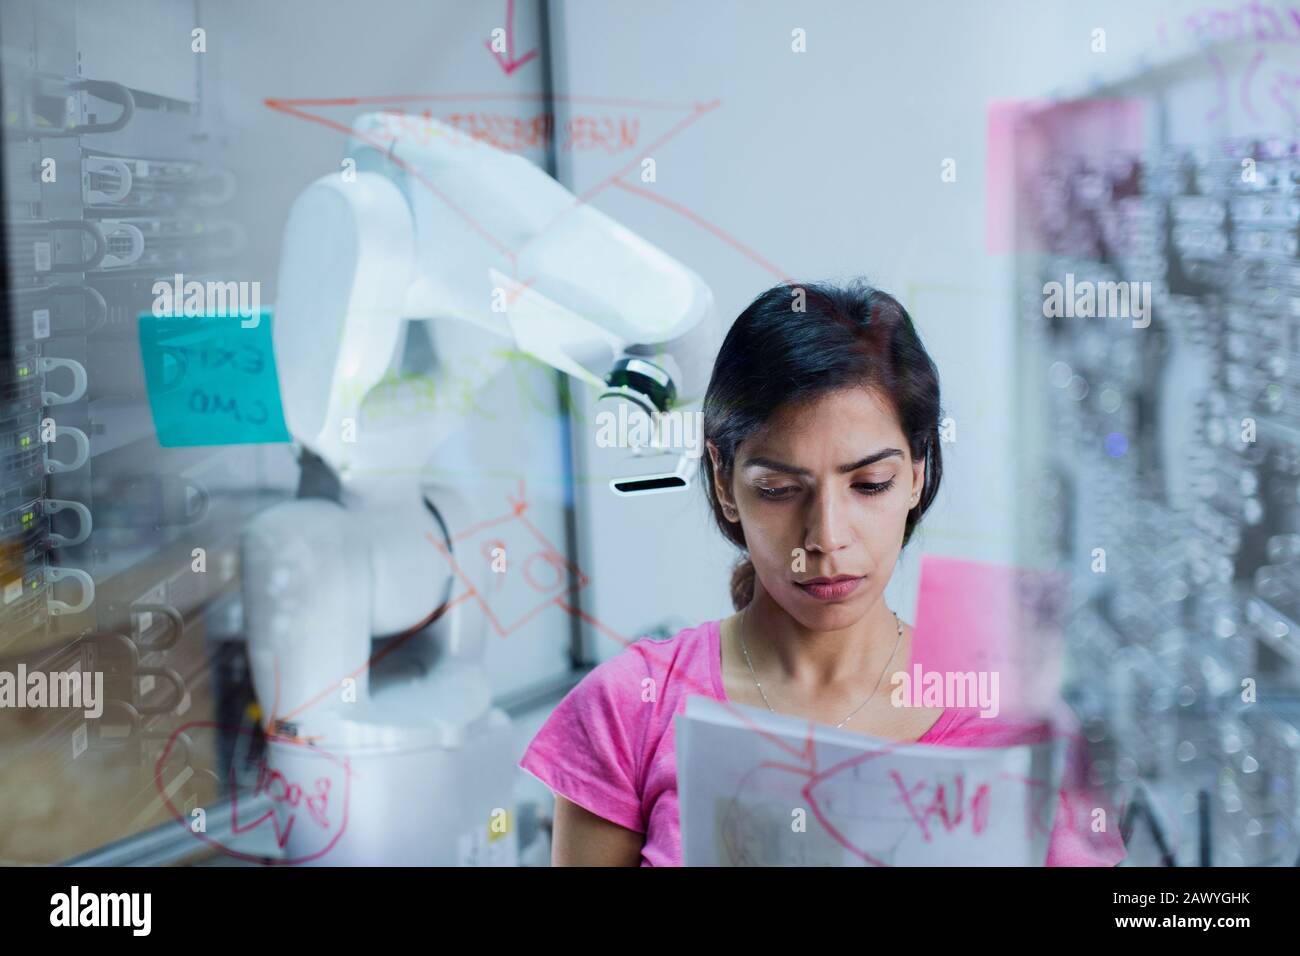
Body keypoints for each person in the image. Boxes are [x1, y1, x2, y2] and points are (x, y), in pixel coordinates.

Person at [519, 278, 1126, 866]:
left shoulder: (1017, 721)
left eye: (870, 484)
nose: (826, 538)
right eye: (780, 489)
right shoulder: (628, 710)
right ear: (726, 483)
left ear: (917, 472)